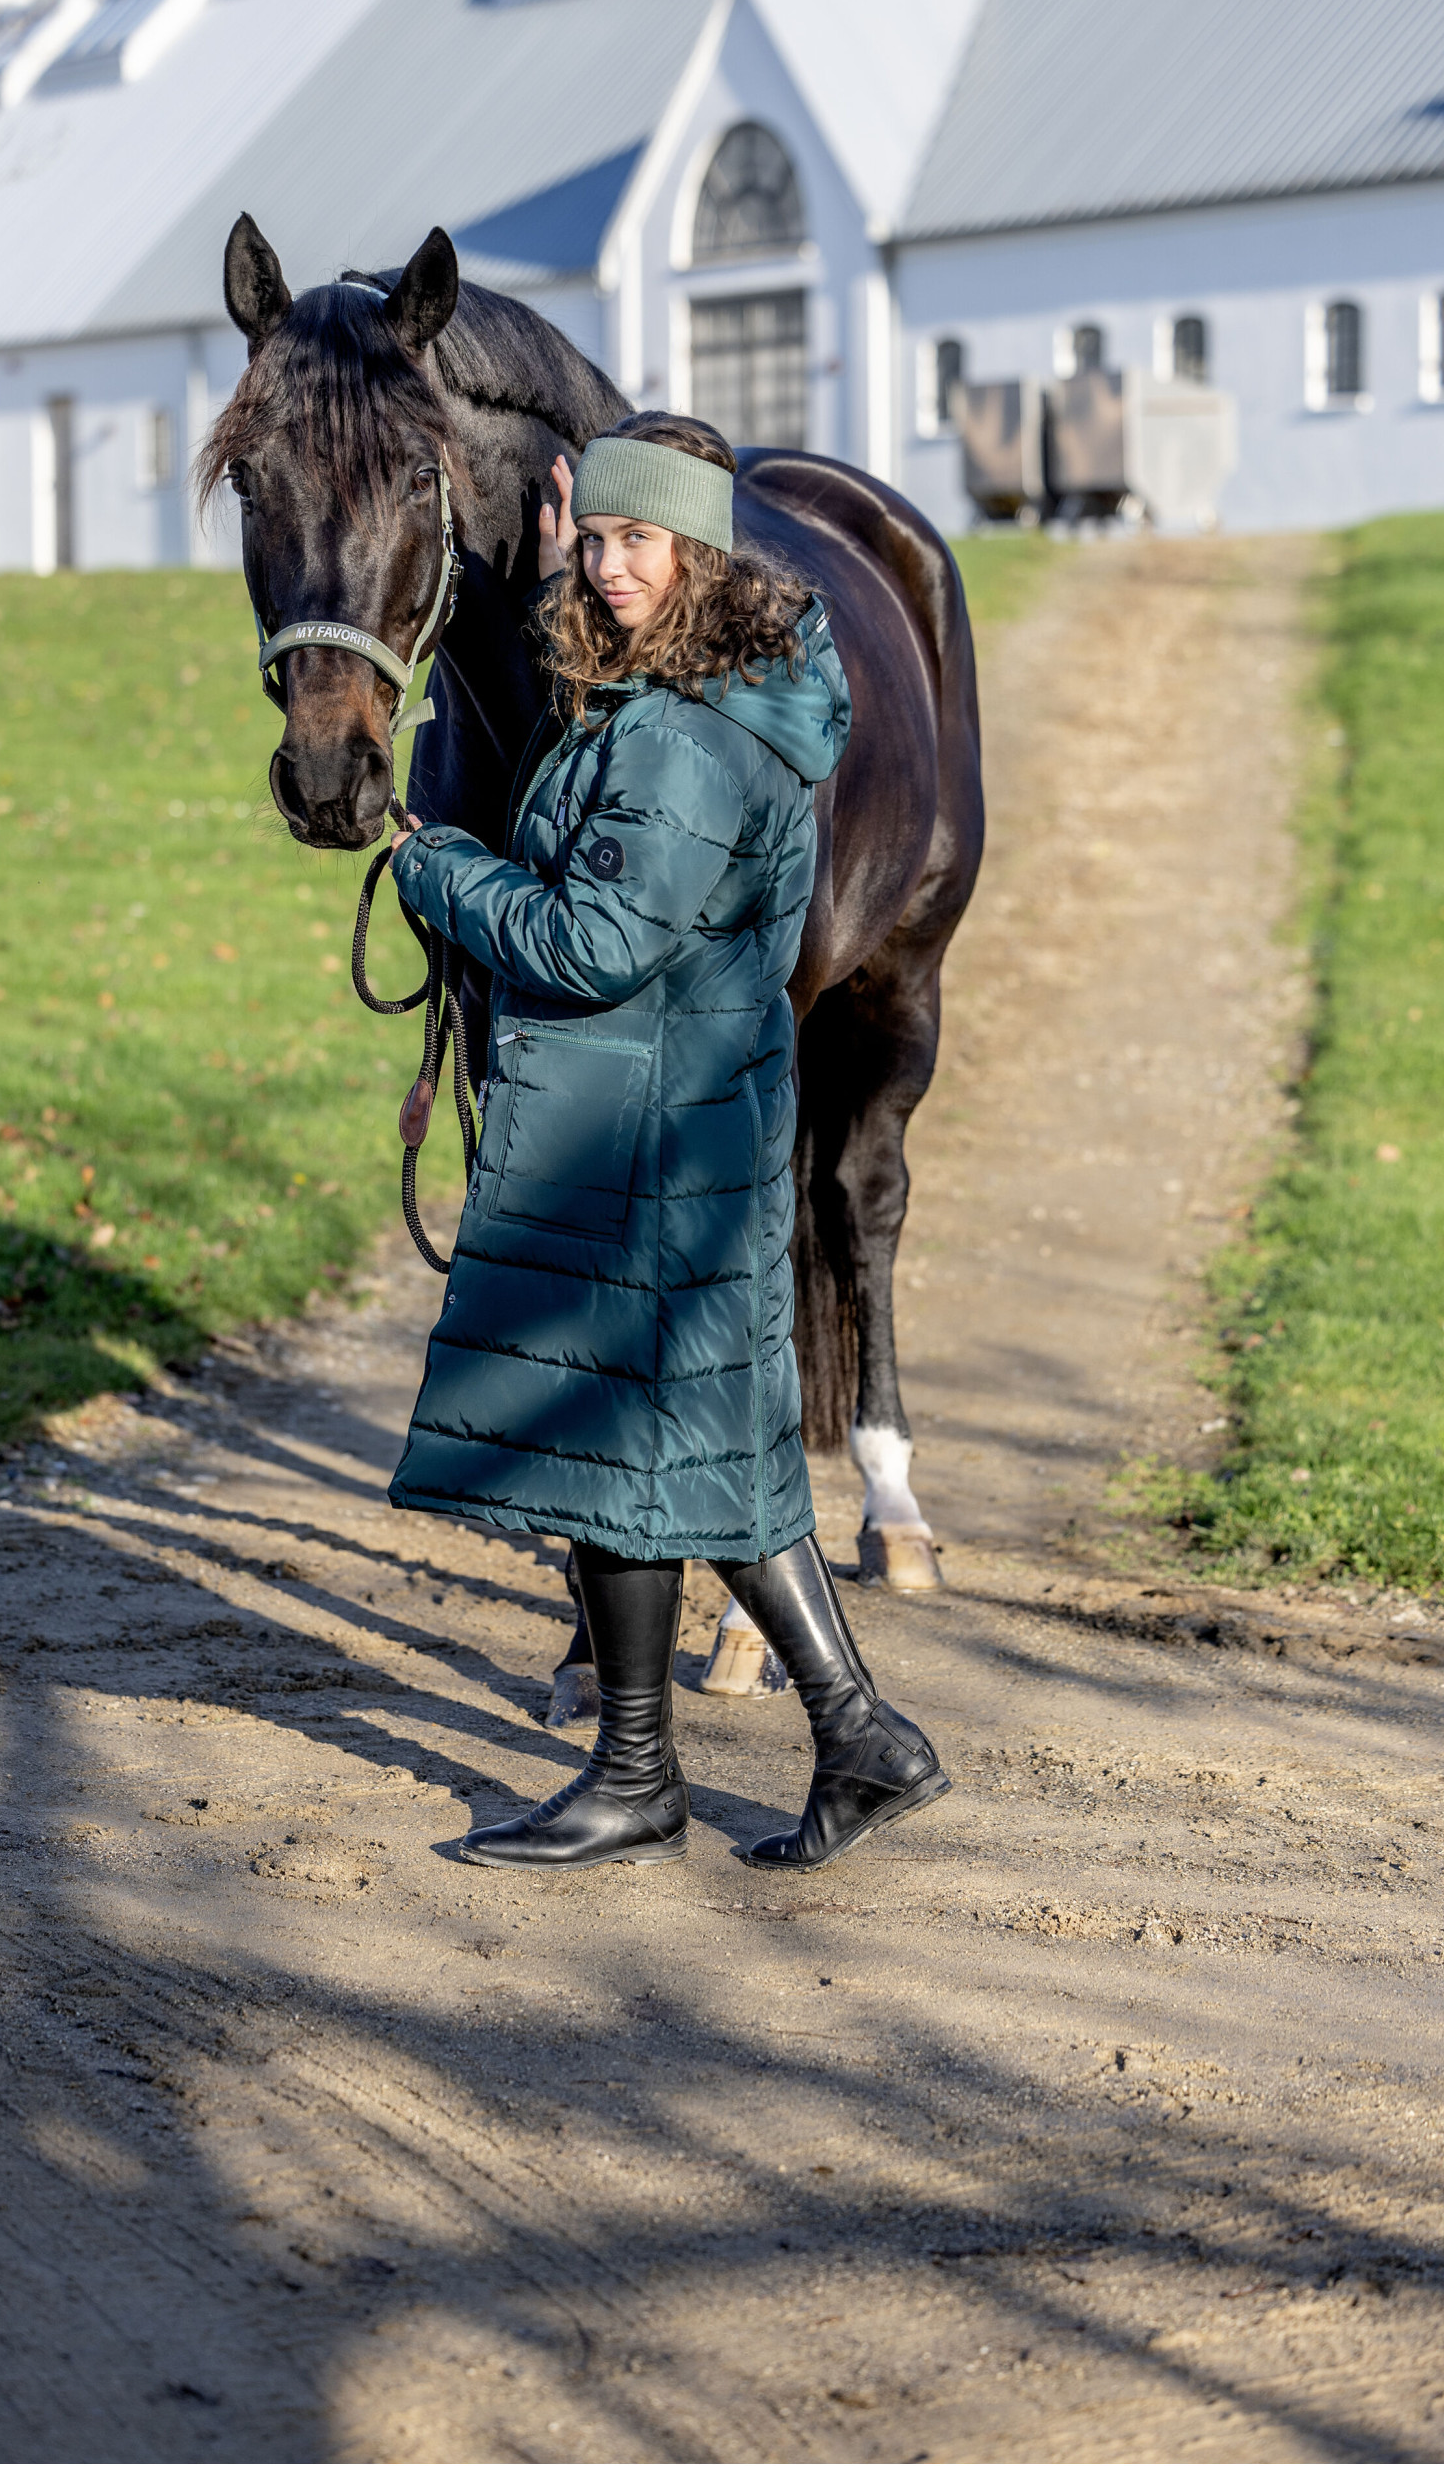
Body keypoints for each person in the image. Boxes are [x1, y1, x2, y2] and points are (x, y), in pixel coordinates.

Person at [384, 411, 950, 1873]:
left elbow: (591, 938)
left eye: (649, 542)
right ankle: (708, 1758)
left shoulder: (690, 745)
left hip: (651, 1134)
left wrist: (436, 868)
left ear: (704, 552)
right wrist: (574, 539)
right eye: (605, 539)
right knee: (645, 1449)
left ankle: (827, 1736)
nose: (619, 569)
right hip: (654, 1117)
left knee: (671, 1448)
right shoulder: (711, 689)